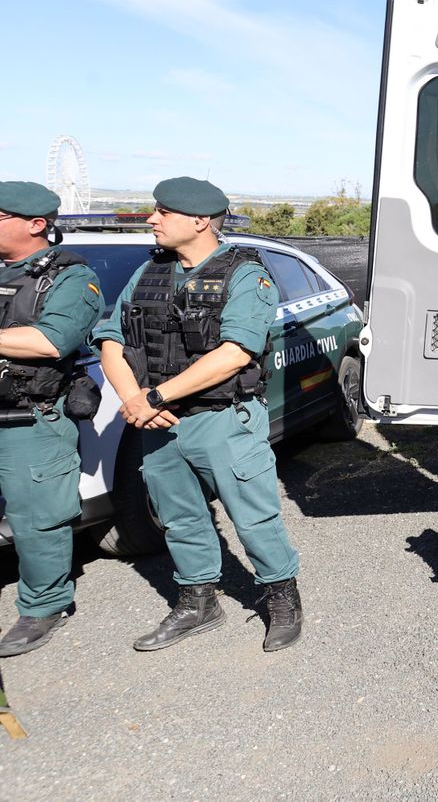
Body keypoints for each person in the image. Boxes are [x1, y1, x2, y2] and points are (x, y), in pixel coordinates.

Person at [93, 177, 305, 653]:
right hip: (159, 422)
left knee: (254, 517)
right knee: (179, 516)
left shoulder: (246, 274)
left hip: (224, 419)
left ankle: (283, 597)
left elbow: (235, 352)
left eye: (163, 212)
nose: (152, 219)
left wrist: (153, 398)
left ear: (200, 221)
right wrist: (134, 399)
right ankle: (198, 601)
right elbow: (111, 338)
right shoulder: (150, 272)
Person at [0, 183, 102, 657]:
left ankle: (44, 606)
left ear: (35, 224)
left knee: (37, 517)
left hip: (28, 418)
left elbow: (50, 342)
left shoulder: (70, 278)